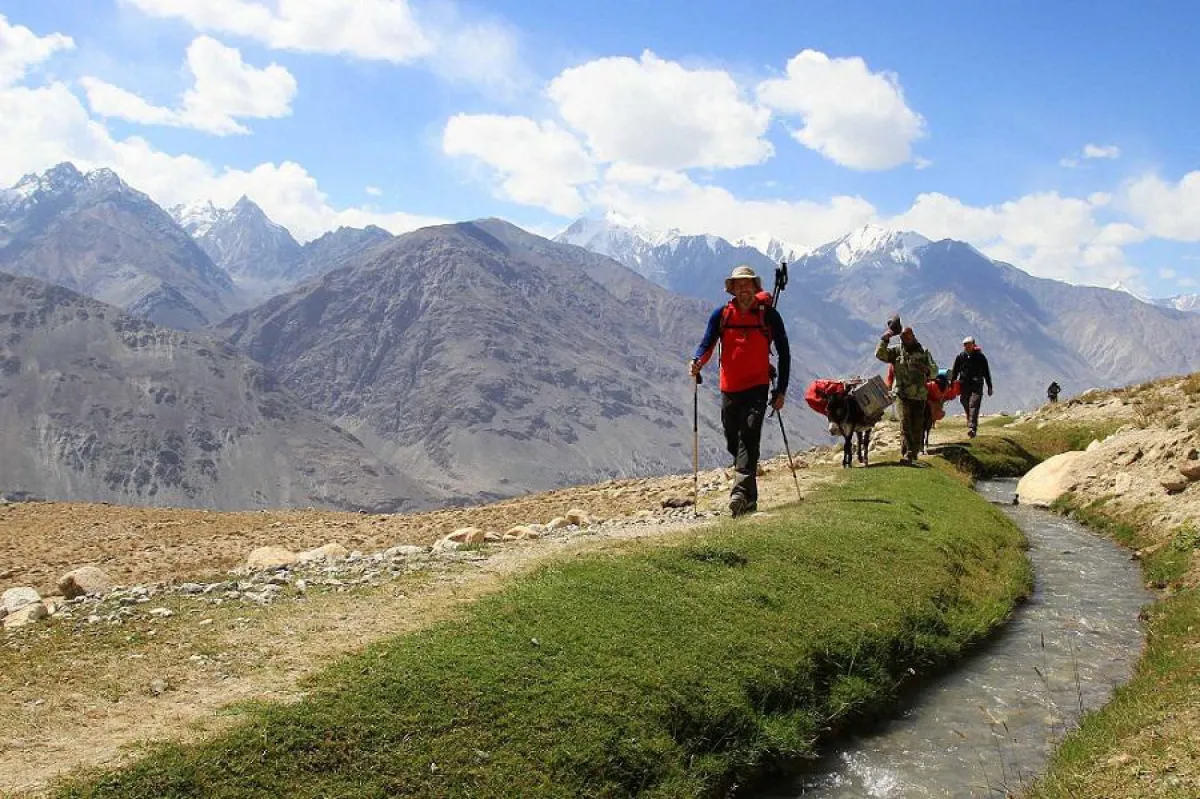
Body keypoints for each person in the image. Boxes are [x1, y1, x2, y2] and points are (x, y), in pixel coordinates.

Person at [690, 265, 790, 517]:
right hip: (729, 387)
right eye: (739, 285)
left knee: (749, 434)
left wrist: (781, 390)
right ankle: (750, 499)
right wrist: (697, 361)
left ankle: (739, 493)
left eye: (748, 284)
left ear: (755, 287)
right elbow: (707, 343)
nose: (744, 289)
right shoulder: (722, 314)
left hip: (758, 386)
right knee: (733, 439)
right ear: (732, 289)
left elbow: (784, 352)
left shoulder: (769, 316)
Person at [875, 325, 937, 464]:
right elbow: (880, 354)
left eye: (908, 337)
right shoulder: (897, 351)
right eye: (903, 338)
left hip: (919, 395)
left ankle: (913, 453)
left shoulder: (923, 352)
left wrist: (926, 370)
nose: (905, 340)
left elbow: (935, 370)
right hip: (902, 394)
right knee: (905, 423)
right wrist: (885, 339)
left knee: (917, 425)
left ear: (913, 337)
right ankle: (907, 454)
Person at [950, 336, 993, 438]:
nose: (966, 346)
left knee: (973, 404)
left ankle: (972, 428)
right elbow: (955, 371)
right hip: (964, 385)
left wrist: (989, 386)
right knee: (964, 401)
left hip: (977, 385)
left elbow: (986, 372)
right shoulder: (960, 357)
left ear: (973, 345)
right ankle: (971, 420)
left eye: (968, 344)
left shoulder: (980, 357)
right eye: (965, 345)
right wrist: (952, 384)